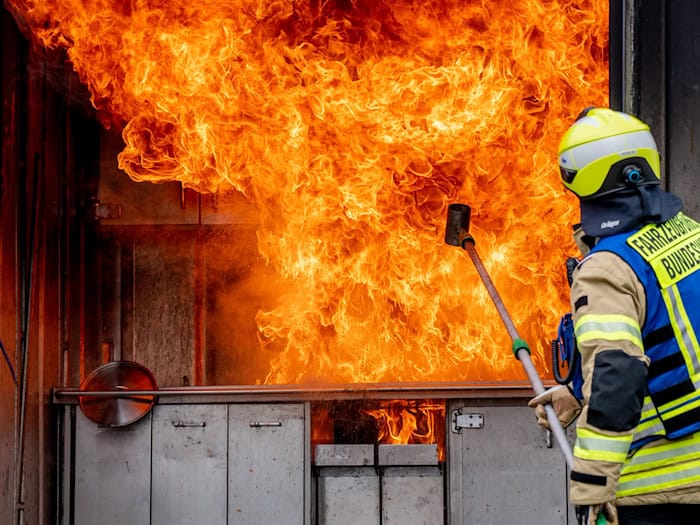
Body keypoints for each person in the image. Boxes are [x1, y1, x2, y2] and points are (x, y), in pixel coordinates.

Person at [528, 107, 700, 525]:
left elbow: (619, 378)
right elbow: (668, 344)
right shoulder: (690, 236)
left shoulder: (607, 268)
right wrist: (580, 393)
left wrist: (591, 486)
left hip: (664, 491)